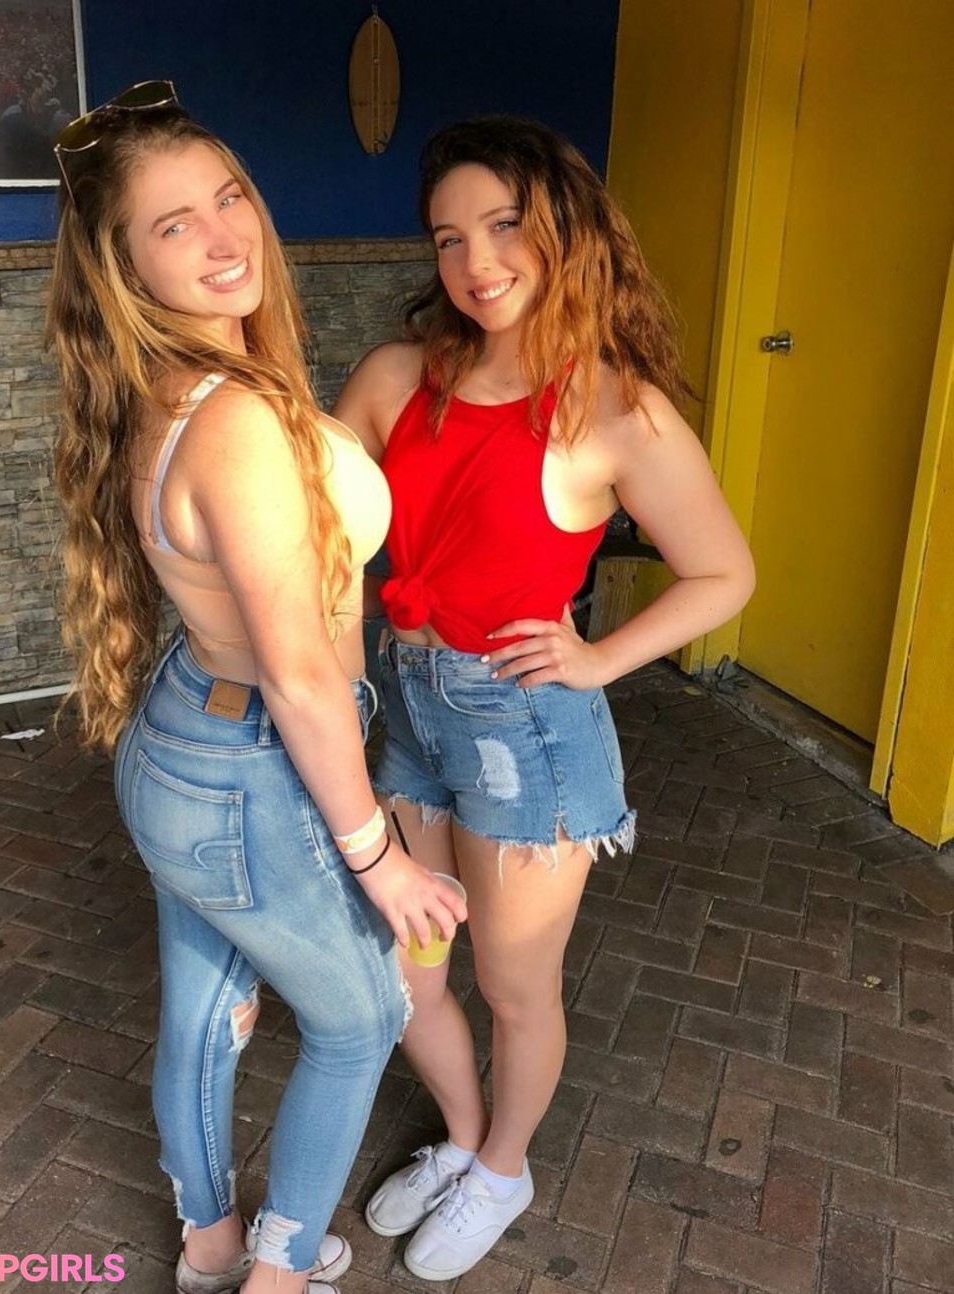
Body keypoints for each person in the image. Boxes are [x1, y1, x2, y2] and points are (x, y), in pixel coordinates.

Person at [46, 82, 466, 1294]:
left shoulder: (180, 386)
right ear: (125, 265)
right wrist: (379, 856)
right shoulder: (232, 418)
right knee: (363, 1017)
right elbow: (297, 670)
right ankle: (276, 1279)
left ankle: (210, 1246)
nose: (225, 235)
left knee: (203, 1008)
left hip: (189, 738)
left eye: (228, 196)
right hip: (254, 762)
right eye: (174, 223)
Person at [333, 114, 755, 1280]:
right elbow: (305, 501)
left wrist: (599, 658)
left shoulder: (616, 408)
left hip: (526, 736)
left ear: (565, 227)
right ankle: (465, 1138)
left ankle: (505, 1168)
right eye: (448, 237)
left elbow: (725, 572)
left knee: (512, 985)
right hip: (411, 710)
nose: (476, 261)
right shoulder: (396, 377)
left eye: (505, 225)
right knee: (410, 963)